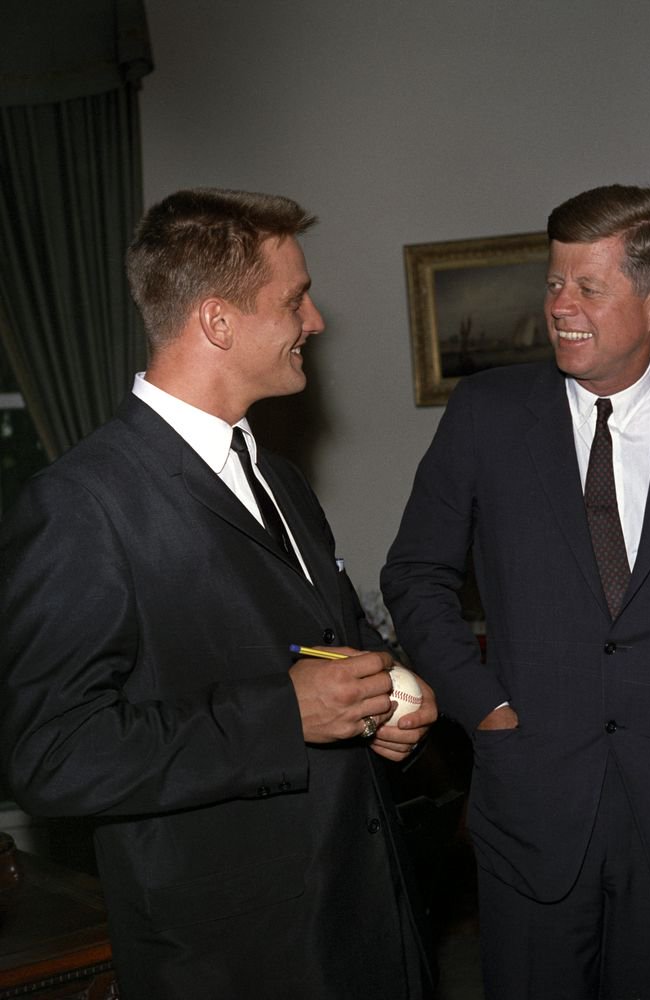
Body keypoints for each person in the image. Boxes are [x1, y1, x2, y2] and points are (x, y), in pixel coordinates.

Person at [381, 184, 650, 999]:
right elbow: (415, 574)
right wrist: (482, 706)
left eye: (589, 287)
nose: (561, 306)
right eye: (554, 282)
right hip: (528, 796)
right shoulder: (486, 414)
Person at [0, 188, 437, 999]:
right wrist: (283, 713)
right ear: (217, 321)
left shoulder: (277, 477)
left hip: (359, 920)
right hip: (231, 959)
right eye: (294, 299)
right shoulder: (81, 503)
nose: (316, 322)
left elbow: (311, 649)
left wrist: (381, 702)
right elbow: (51, 758)